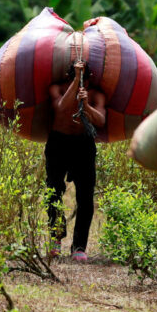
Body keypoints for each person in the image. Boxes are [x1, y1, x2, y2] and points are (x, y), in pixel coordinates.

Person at [46, 61, 106, 262]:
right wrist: (76, 82)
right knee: (53, 190)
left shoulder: (96, 95)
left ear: (90, 80)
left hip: (84, 146)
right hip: (58, 143)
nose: (82, 83)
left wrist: (86, 105)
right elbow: (62, 107)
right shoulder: (57, 89)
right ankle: (56, 237)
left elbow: (101, 120)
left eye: (85, 79)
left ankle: (79, 247)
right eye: (77, 77)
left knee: (86, 198)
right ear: (68, 77)